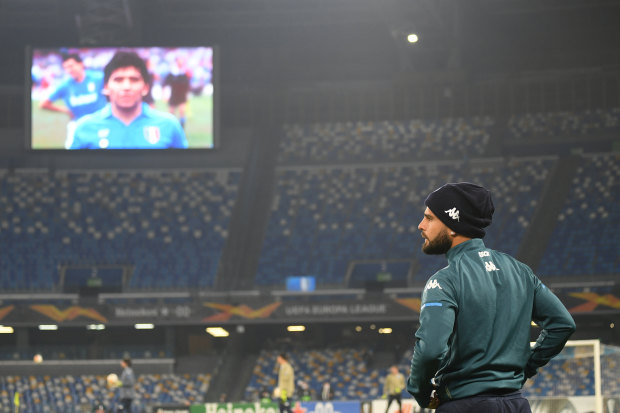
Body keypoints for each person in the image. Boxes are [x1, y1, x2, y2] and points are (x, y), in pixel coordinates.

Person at [407, 182, 576, 412]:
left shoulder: (445, 281)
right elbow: (562, 324)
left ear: (453, 225)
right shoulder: (521, 271)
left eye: (429, 218)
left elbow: (431, 350)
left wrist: (422, 393)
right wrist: (526, 368)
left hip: (464, 404)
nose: (420, 225)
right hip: (515, 404)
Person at [71, 51, 188, 149]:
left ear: (146, 88)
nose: (126, 87)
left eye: (134, 80)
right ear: (106, 87)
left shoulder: (169, 125)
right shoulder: (84, 127)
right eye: (118, 80)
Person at [39, 53, 108, 148]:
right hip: (78, 125)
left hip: (101, 124)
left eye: (71, 66)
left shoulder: (98, 78)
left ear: (81, 64)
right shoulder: (65, 85)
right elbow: (43, 104)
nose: (69, 70)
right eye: (66, 68)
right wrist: (65, 110)